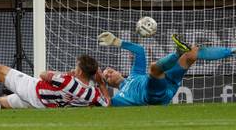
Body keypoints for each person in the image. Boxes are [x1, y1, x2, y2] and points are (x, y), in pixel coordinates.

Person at [97, 32, 236, 106]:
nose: (109, 74)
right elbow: (106, 104)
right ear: (109, 84)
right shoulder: (118, 99)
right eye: (107, 77)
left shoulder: (134, 74)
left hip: (168, 83)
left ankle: (232, 50)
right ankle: (177, 53)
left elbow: (139, 50)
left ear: (118, 71)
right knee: (154, 68)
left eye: (110, 71)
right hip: (153, 95)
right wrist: (101, 84)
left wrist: (117, 42)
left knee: (191, 54)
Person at [0, 55, 110, 109]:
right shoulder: (93, 94)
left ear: (80, 72)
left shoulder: (68, 80)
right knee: (2, 102)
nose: (74, 68)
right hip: (43, 104)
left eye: (76, 66)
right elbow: (106, 104)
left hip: (33, 90)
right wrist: (102, 84)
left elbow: (43, 75)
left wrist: (65, 73)